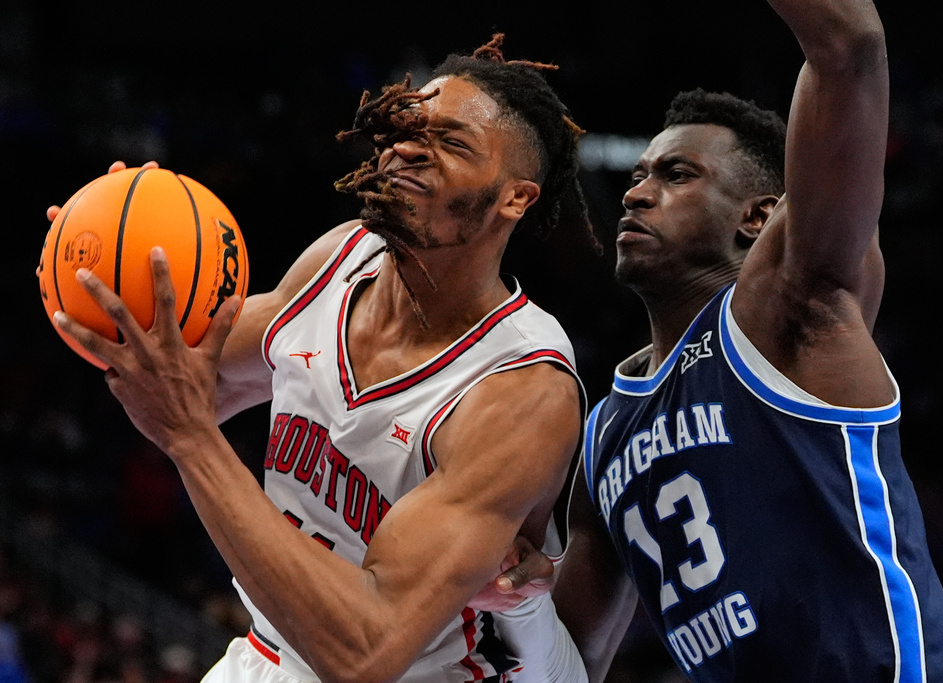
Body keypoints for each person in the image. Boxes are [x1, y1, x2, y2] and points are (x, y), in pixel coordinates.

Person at [49, 37, 592, 683]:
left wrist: (193, 439)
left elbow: (367, 652)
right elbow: (168, 378)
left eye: (452, 142)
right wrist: (99, 272)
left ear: (516, 198)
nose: (409, 146)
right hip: (271, 651)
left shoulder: (521, 389)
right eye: (406, 127)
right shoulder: (340, 257)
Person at [493, 0, 943, 680]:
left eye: (675, 175)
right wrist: (512, 597)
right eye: (637, 176)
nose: (636, 194)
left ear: (759, 216)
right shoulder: (605, 430)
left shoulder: (792, 305)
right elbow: (569, 661)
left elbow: (849, 45)